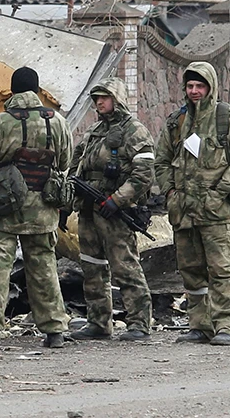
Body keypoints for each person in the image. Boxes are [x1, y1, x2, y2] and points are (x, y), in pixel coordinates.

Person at [0, 66, 72, 349]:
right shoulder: (57, 122)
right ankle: (54, 331)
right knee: (45, 267)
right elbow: (65, 162)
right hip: (44, 208)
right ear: (36, 90)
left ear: (13, 90)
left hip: (3, 207)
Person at [154, 61, 230, 346]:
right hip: (183, 212)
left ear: (210, 87)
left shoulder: (227, 118)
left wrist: (220, 191)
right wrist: (170, 192)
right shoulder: (177, 122)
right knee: (191, 272)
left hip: (215, 211)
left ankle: (227, 326)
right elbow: (161, 160)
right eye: (190, 86)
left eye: (200, 86)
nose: (194, 91)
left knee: (220, 269)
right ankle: (200, 324)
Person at [65, 77, 155, 342]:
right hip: (89, 208)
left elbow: (144, 174)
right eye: (96, 98)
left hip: (115, 211)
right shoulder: (94, 131)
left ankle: (139, 323)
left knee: (124, 266)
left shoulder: (134, 131)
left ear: (117, 99)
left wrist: (118, 199)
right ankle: (99, 322)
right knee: (92, 266)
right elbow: (75, 164)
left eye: (104, 97)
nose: (99, 103)